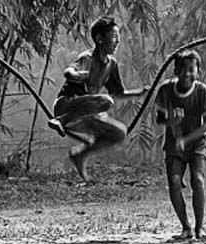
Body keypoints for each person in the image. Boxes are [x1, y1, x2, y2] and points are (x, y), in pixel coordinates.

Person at [48, 16, 148, 181]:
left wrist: (139, 93)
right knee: (105, 101)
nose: (117, 42)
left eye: (118, 38)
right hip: (67, 106)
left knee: (119, 132)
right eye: (114, 37)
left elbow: (118, 93)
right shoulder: (87, 58)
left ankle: (80, 155)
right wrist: (77, 76)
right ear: (100, 39)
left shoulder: (112, 64)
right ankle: (61, 120)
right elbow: (69, 72)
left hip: (87, 114)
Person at [154, 50, 206, 240]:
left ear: (198, 71)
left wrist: (187, 139)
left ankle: (199, 228)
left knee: (197, 180)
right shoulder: (166, 90)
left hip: (198, 142)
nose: (187, 74)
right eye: (182, 69)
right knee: (174, 182)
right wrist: (171, 121)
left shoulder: (202, 91)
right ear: (175, 70)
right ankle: (186, 227)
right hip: (174, 145)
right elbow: (160, 119)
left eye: (191, 69)